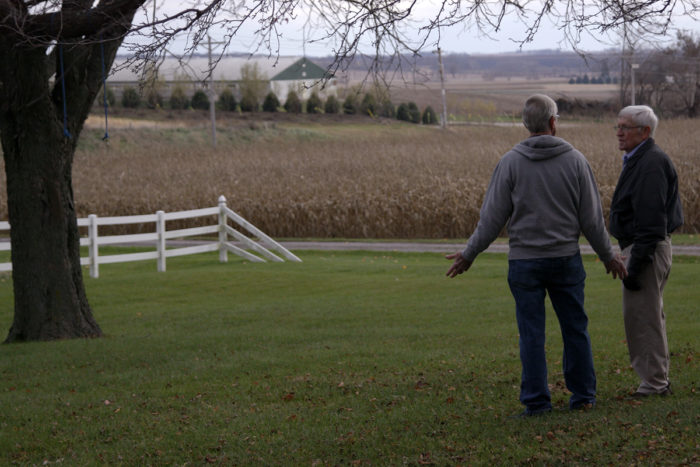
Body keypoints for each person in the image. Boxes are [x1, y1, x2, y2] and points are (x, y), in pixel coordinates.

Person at [446, 94, 627, 417]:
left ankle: (536, 402)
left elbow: (491, 219)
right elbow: (592, 220)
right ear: (553, 122)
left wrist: (469, 254)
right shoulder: (575, 161)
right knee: (575, 328)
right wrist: (609, 256)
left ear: (526, 124)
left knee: (531, 333)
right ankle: (583, 395)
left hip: (524, 263)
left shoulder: (510, 163)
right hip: (565, 260)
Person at [609, 105, 683, 398]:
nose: (619, 133)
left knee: (644, 316)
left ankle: (654, 383)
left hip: (646, 250)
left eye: (625, 127)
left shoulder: (651, 163)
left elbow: (652, 223)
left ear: (645, 131)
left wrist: (634, 265)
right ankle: (655, 379)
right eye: (618, 126)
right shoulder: (640, 159)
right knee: (644, 314)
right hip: (643, 248)